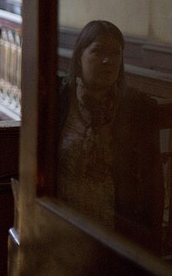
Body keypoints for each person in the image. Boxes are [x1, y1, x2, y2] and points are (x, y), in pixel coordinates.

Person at [57, 20, 163, 251]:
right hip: (62, 230)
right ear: (79, 57)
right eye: (98, 52)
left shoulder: (138, 109)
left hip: (119, 233)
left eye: (115, 53)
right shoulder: (58, 101)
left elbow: (153, 182)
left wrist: (152, 243)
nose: (108, 61)